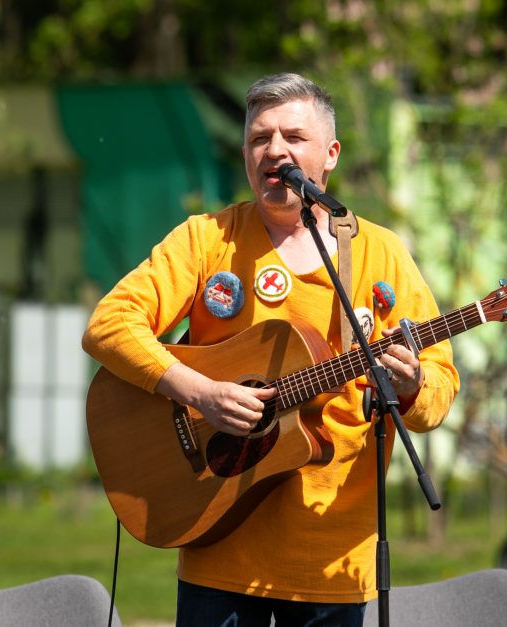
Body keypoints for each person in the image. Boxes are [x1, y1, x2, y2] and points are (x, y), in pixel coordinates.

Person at [82, 72, 459, 626]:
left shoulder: (380, 252)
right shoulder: (208, 239)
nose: (274, 150)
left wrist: (410, 386)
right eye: (260, 139)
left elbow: (438, 390)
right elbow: (108, 324)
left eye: (292, 137)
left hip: (335, 558)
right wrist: (200, 392)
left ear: (329, 155)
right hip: (219, 545)